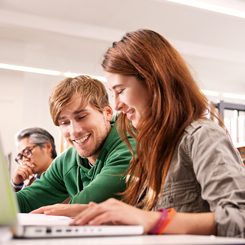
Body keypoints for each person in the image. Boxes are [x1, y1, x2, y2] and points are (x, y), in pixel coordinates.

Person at [68, 29, 245, 237]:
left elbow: (239, 218)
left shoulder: (202, 136)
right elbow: (146, 216)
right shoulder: (153, 145)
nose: (116, 105)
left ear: (153, 82)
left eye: (120, 90)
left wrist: (154, 220)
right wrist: (92, 212)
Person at [16, 75, 135, 213]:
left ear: (107, 113)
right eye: (64, 122)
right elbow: (26, 200)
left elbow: (89, 203)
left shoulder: (129, 147)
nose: (74, 131)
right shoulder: (67, 161)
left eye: (82, 117)